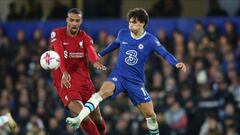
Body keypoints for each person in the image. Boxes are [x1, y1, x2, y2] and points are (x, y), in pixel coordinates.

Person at [66, 8, 186, 135]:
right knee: (100, 93)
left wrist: (176, 62)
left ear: (142, 23)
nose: (130, 25)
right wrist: (99, 55)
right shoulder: (123, 33)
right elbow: (113, 45)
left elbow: (164, 53)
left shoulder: (150, 40)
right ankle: (78, 119)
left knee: (150, 115)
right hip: (119, 76)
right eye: (129, 22)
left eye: (134, 22)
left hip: (136, 82)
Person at [50, 8, 107, 135]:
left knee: (97, 119)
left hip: (84, 83)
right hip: (66, 84)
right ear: (67, 20)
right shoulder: (57, 33)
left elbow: (91, 50)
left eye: (77, 20)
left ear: (81, 21)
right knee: (83, 116)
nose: (74, 23)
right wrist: (64, 72)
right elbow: (58, 52)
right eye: (71, 20)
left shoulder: (85, 37)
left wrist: (94, 60)